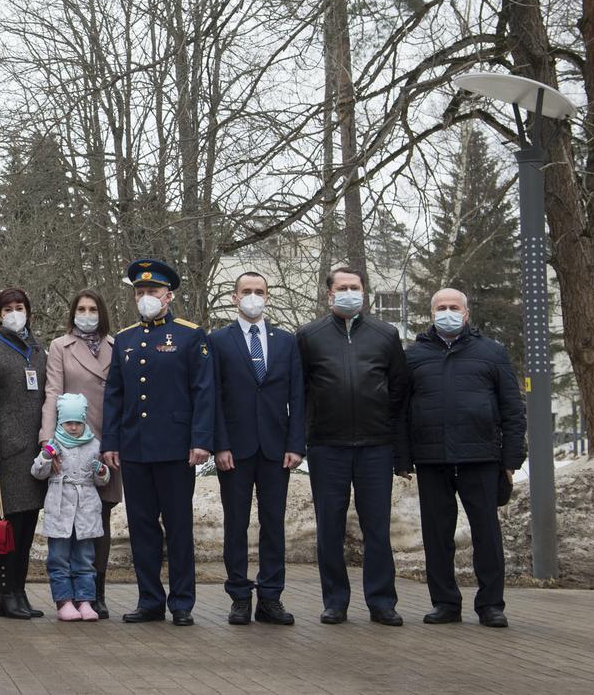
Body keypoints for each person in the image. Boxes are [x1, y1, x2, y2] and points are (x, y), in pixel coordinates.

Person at [403, 288, 526, 628]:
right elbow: (398, 410)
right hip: (431, 459)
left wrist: (512, 458)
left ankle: (490, 605)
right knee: (436, 535)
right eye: (440, 307)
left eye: (453, 307)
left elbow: (512, 409)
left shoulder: (492, 353)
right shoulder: (413, 357)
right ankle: (445, 603)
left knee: (486, 533)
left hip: (482, 457)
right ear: (431, 314)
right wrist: (402, 458)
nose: (447, 312)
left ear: (466, 313)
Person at [101, 259, 214, 626]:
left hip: (176, 447)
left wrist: (200, 440)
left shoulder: (190, 335)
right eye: (140, 291)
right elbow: (115, 395)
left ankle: (181, 602)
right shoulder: (126, 338)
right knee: (142, 527)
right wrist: (112, 441)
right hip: (135, 448)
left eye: (152, 291)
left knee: (178, 527)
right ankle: (150, 599)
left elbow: (203, 392)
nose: (145, 297)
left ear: (169, 295)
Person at [297, 266, 409, 626]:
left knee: (377, 526)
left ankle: (381, 602)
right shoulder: (309, 336)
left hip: (375, 446)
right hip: (327, 446)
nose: (349, 292)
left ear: (364, 292)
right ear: (329, 294)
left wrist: (394, 442)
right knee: (329, 525)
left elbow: (399, 391)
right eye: (342, 287)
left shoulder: (386, 334)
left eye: (355, 287)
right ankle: (335, 601)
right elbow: (299, 393)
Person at [208, 272, 305, 625]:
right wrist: (219, 444)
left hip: (277, 450)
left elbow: (297, 394)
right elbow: (213, 397)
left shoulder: (285, 341)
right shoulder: (218, 340)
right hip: (234, 450)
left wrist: (296, 444)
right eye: (246, 292)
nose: (253, 297)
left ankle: (270, 597)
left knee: (273, 525)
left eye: (259, 292)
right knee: (236, 524)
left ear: (268, 296)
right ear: (235, 297)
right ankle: (238, 596)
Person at [39, 288, 122, 619]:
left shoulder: (118, 346)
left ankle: (94, 593)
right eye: (81, 308)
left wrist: (118, 442)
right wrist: (48, 441)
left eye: (93, 309)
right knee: (68, 523)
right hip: (71, 444)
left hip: (109, 443)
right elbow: (52, 393)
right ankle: (67, 595)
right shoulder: (61, 347)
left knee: (100, 518)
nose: (87, 314)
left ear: (102, 312)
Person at [0, 287, 49, 620]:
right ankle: (5, 593)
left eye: (20, 307)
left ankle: (19, 591)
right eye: (8, 309)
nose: (15, 313)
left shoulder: (37, 350)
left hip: (37, 452)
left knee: (29, 521)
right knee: (12, 526)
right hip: (8, 452)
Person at [31, 393, 111, 622]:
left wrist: (101, 472)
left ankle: (85, 600)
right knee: (58, 557)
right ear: (61, 422)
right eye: (68, 423)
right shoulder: (54, 444)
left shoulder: (94, 444)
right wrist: (46, 458)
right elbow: (37, 473)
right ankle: (64, 601)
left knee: (85, 558)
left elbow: (101, 481)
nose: (73, 427)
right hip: (60, 506)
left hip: (86, 508)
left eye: (78, 423)